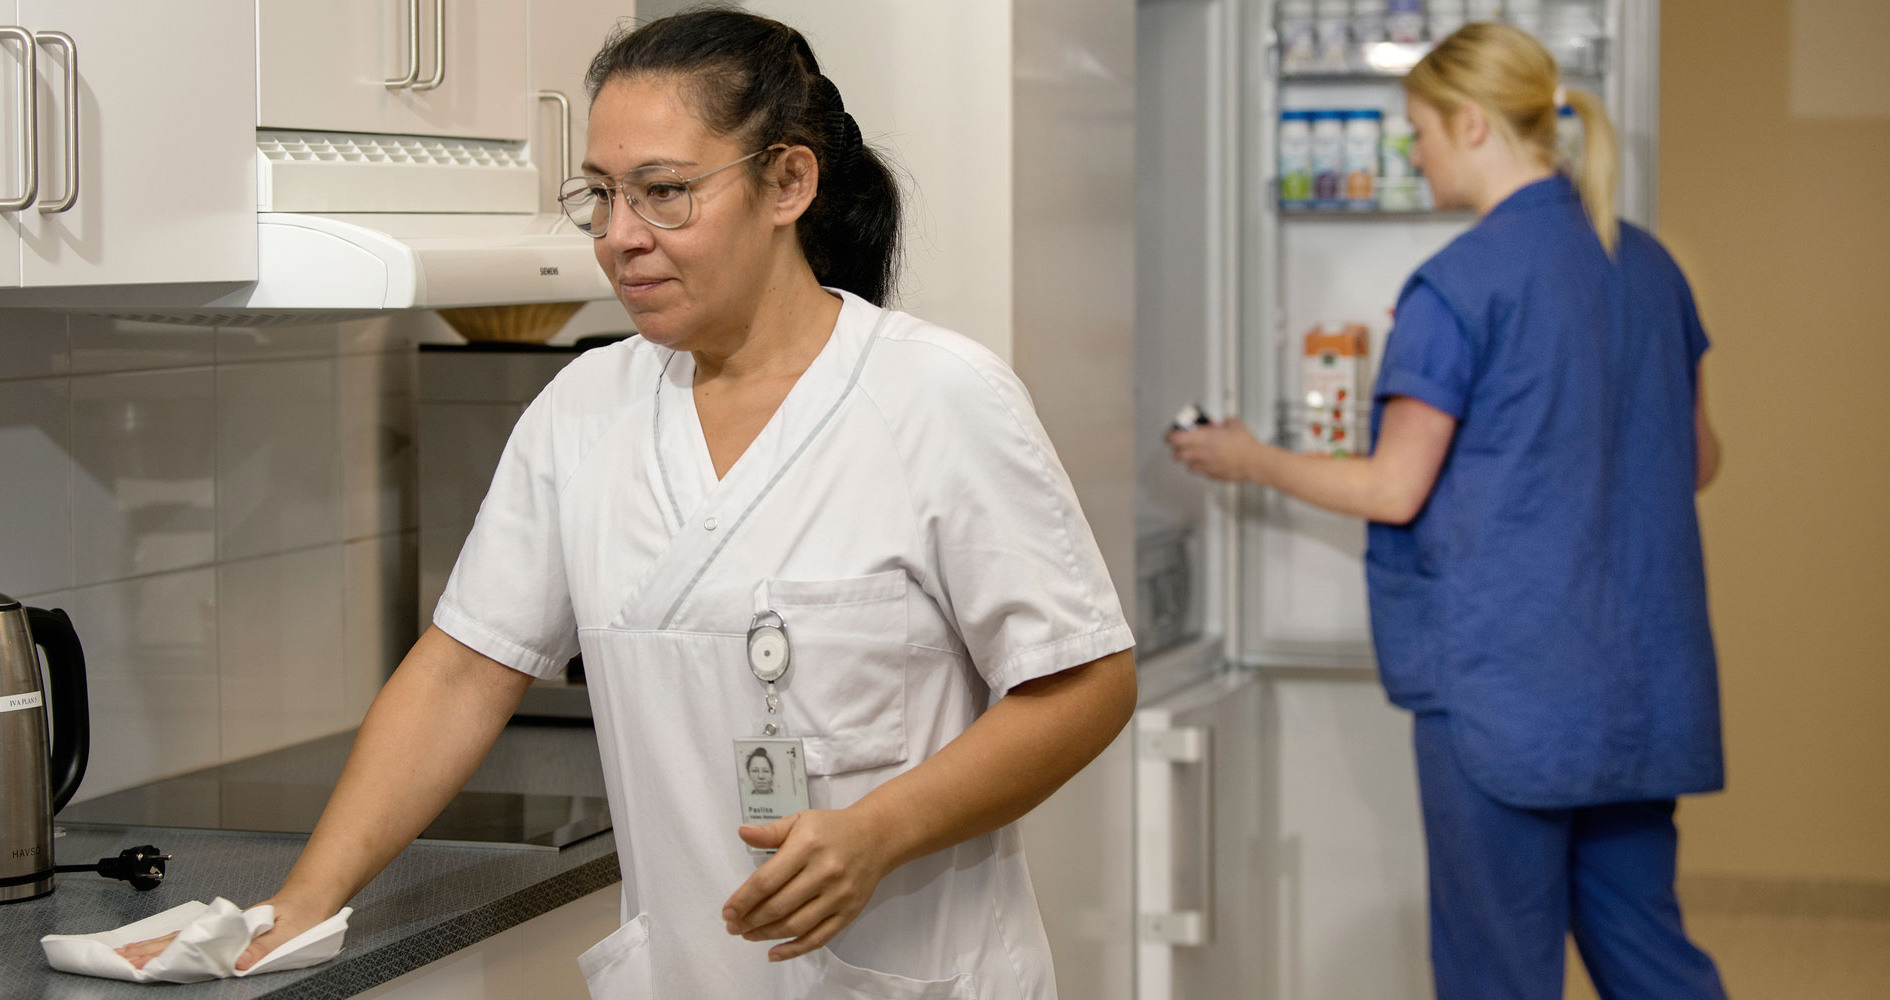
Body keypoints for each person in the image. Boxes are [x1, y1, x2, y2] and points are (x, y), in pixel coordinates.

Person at [117, 7, 1135, 999]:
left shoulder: (934, 398)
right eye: (599, 195)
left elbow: (1084, 683)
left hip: (906, 969)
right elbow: (464, 670)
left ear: (787, 181)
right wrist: (300, 903)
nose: (619, 237)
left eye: (663, 192)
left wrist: (880, 828)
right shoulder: (583, 409)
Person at [1167, 23, 1727, 1000]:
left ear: (1469, 125)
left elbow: (1393, 487)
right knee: (1649, 962)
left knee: (1494, 975)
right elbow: (1698, 462)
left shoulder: (1457, 286)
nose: (1410, 153)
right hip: (1636, 696)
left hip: (1507, 696)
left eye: (1415, 130)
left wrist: (1249, 457)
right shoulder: (1647, 266)